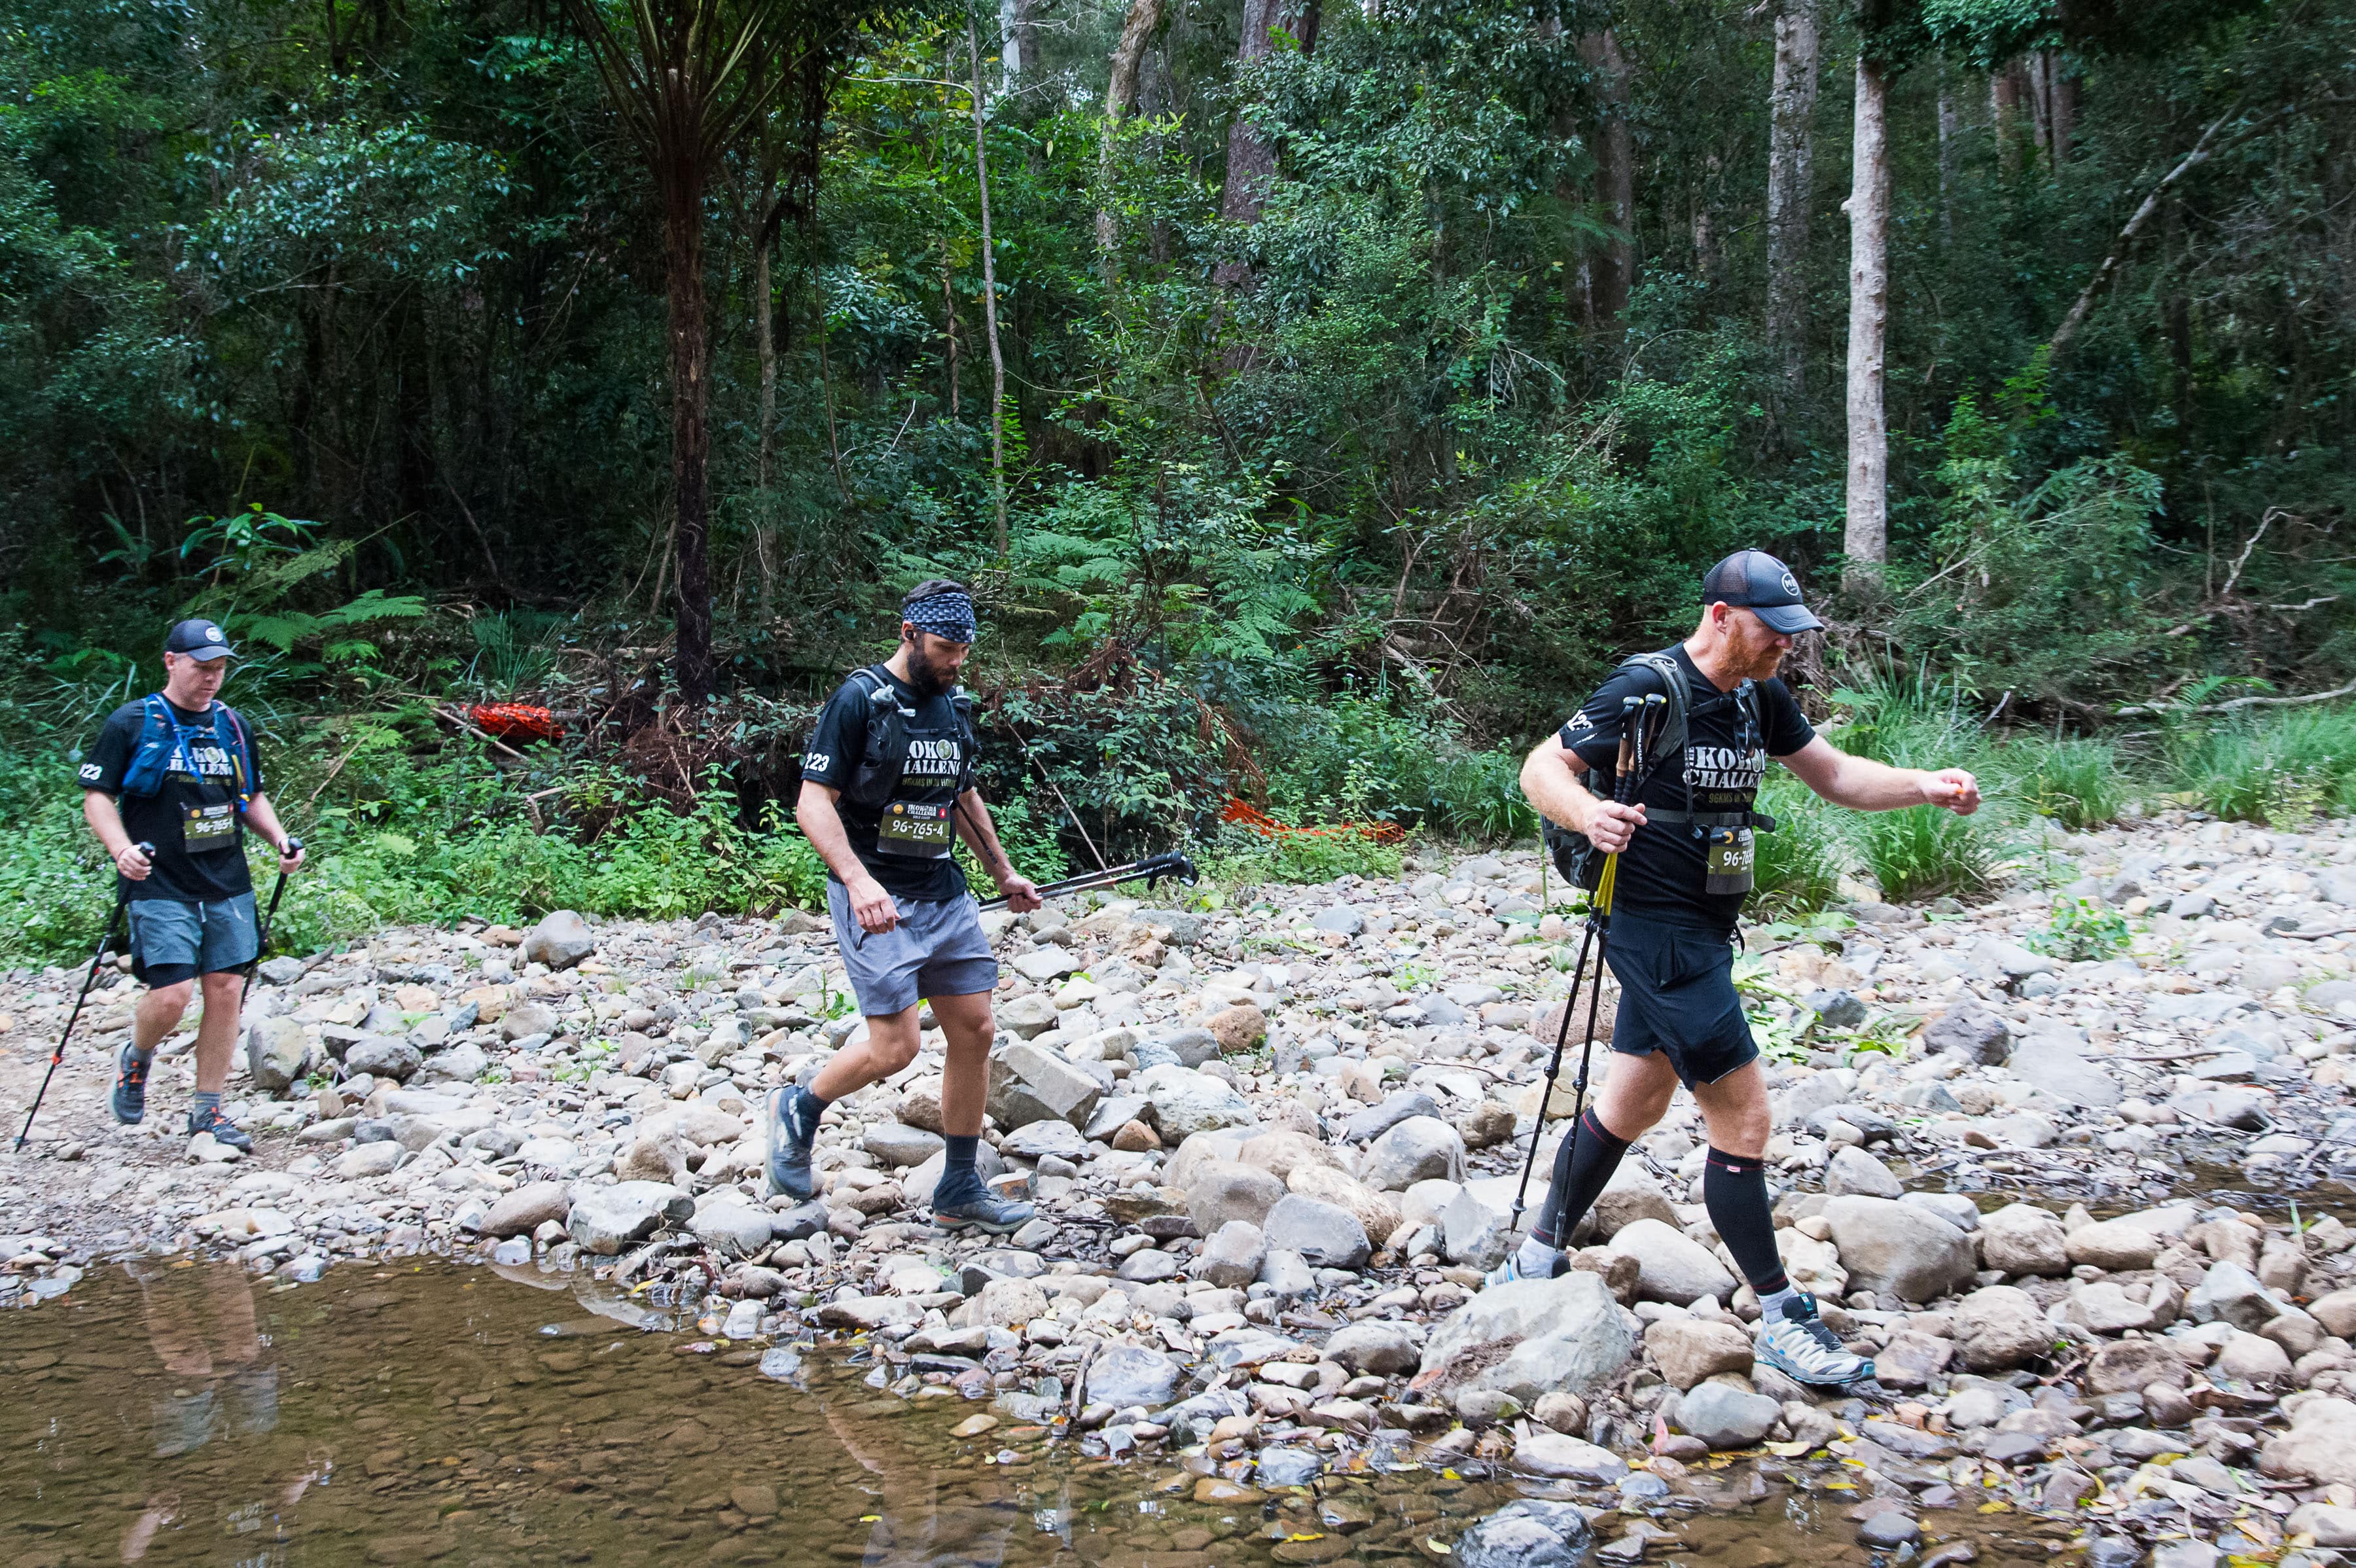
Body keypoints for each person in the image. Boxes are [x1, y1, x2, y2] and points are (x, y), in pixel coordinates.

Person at [1497, 550, 1981, 1388]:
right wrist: (1589, 812)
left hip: (1706, 932)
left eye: (1793, 635)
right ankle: (1783, 1318)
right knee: (1744, 1120)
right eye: (1772, 631)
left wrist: (1924, 786)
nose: (1784, 648)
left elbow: (1832, 775)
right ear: (1722, 617)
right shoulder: (1645, 687)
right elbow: (1544, 765)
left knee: (1632, 1102)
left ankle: (1535, 1255)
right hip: (1658, 934)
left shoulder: (1760, 695)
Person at [768, 580, 1043, 1233]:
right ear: (908, 633)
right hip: (877, 895)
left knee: (974, 1029)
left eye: (964, 651)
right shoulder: (860, 698)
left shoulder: (953, 704)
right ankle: (800, 1107)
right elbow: (813, 802)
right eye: (946, 648)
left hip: (942, 890)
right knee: (895, 1047)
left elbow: (962, 797)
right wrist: (859, 881)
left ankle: (957, 1184)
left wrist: (1003, 872)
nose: (955, 661)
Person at [79, 619, 304, 1151]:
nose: (212, 678)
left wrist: (279, 839)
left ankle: (208, 1112)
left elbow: (249, 796)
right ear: (171, 661)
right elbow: (97, 796)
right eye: (202, 668)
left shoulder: (231, 725)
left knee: (226, 991)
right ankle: (137, 1055)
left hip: (226, 877)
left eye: (220, 669)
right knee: (173, 994)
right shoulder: (132, 722)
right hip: (157, 878)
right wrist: (120, 850)